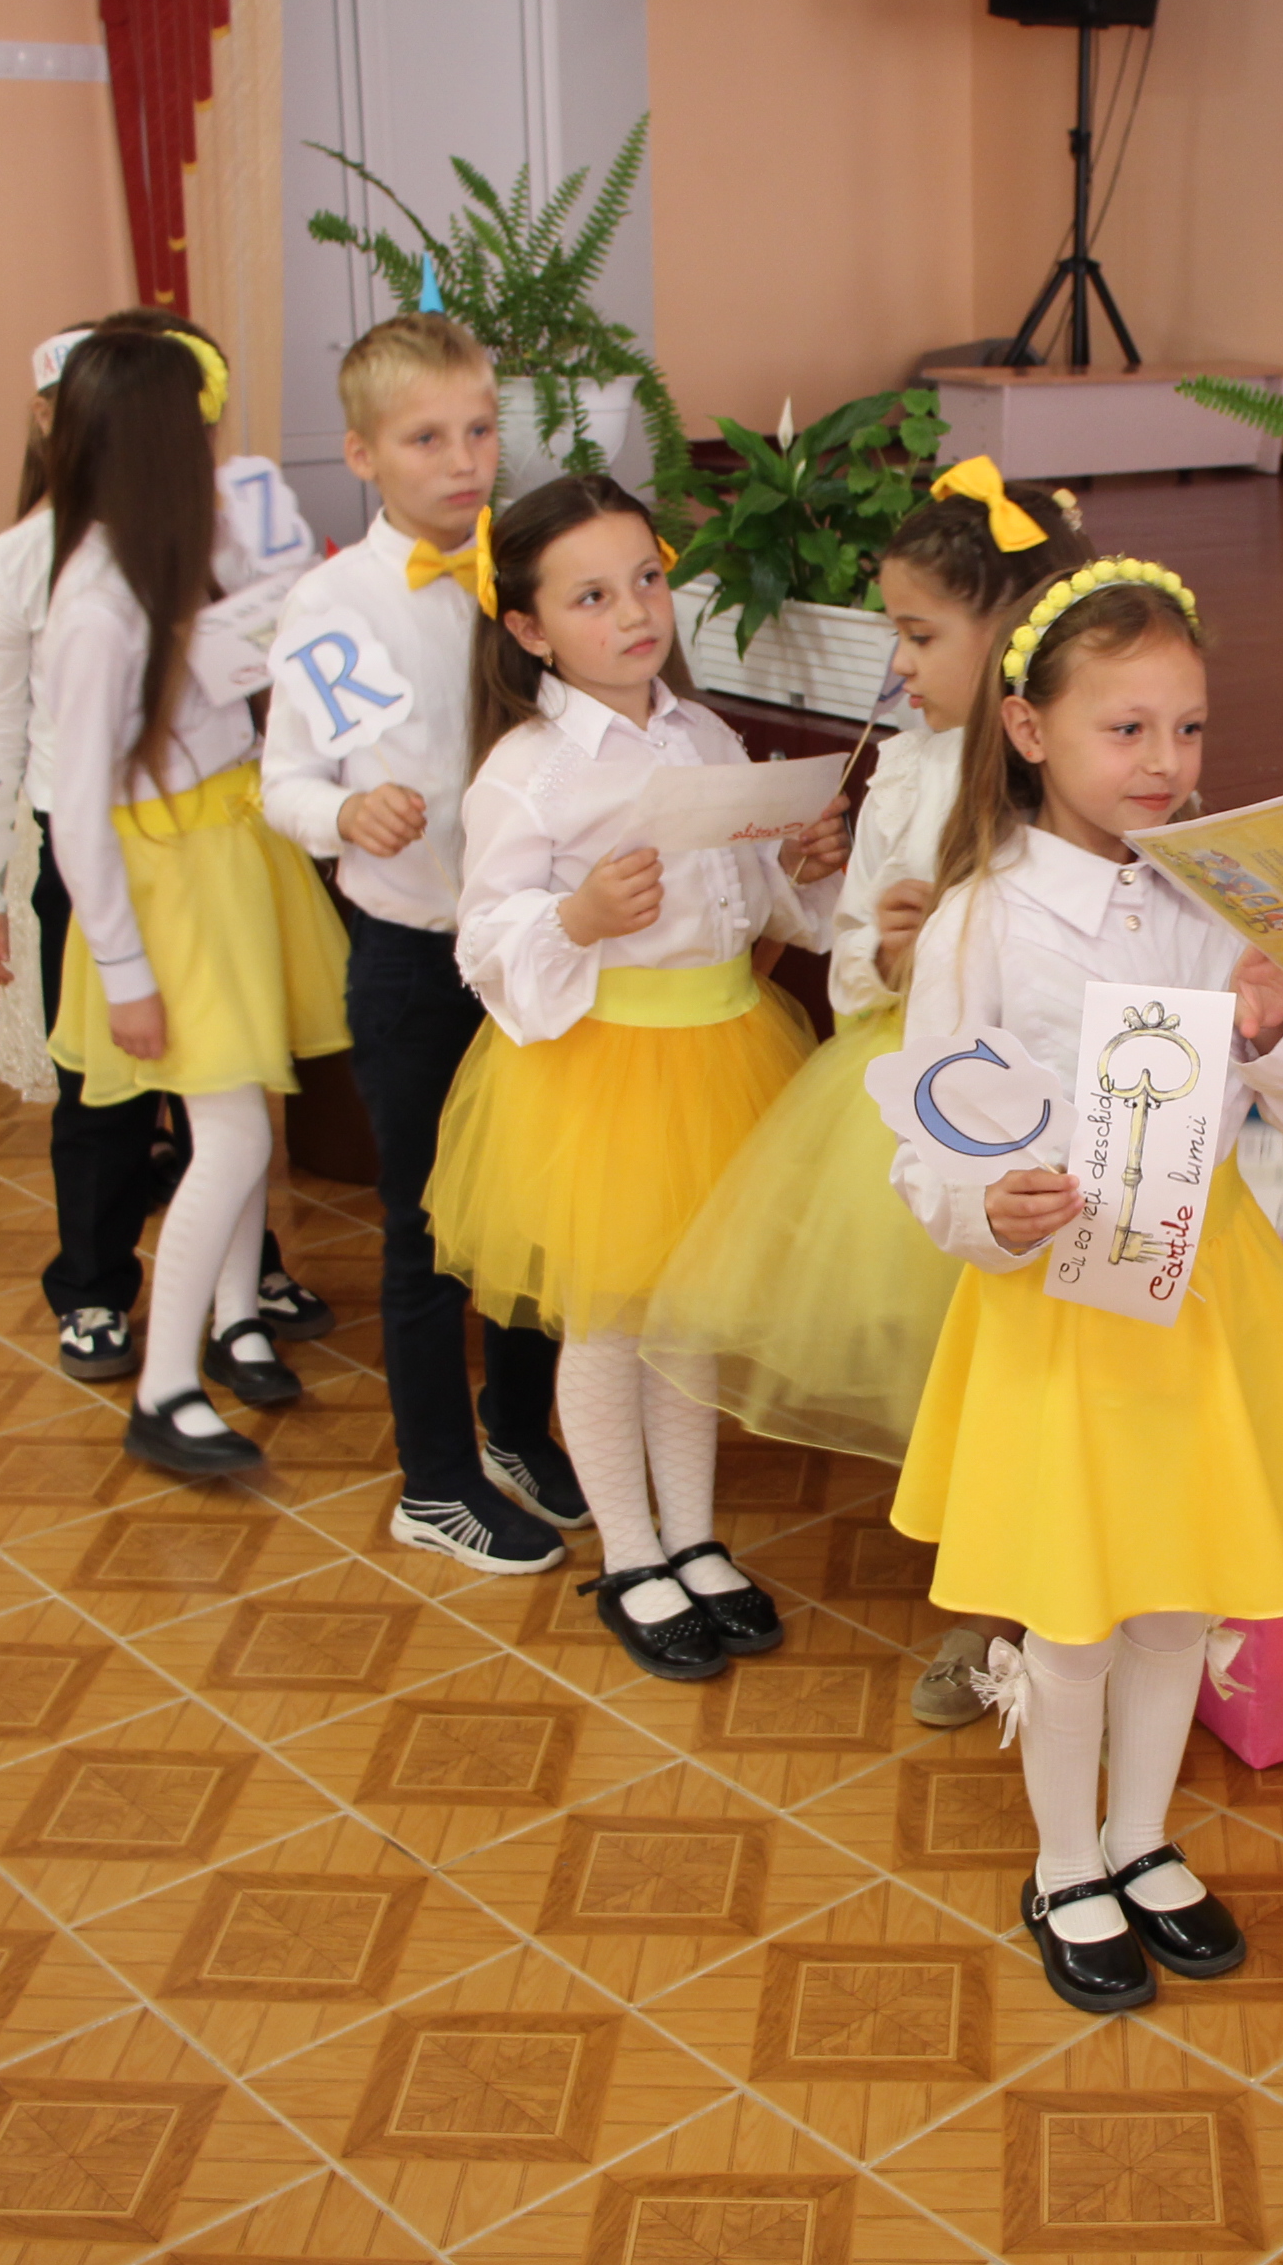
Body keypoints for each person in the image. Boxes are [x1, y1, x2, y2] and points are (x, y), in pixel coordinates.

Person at [888, 559, 1283, 2014]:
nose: (1165, 761)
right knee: (1077, 1612)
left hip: (1200, 1287)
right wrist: (992, 1211)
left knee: (1173, 1597)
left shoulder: (1215, 895)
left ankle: (1142, 1838)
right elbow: (928, 1152)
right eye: (1127, 729)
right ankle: (1063, 1865)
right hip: (1061, 1305)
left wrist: (1275, 1026)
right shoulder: (980, 922)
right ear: (1031, 731)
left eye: (1189, 728)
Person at [640, 457, 1090, 1727]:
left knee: (1037, 1368)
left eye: (920, 635)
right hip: (921, 1102)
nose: (897, 664)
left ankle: (1041, 1597)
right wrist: (894, 952)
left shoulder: (1077, 774)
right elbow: (850, 959)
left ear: (1012, 632)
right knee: (960, 1365)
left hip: (1046, 1111)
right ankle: (984, 1598)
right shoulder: (901, 770)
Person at [429, 475, 848, 1677]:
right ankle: (630, 1552)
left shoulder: (703, 735)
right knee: (614, 1323)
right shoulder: (529, 774)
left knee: (690, 1317)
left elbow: (752, 903)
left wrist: (799, 864)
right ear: (528, 628)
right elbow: (483, 943)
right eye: (592, 597)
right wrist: (579, 915)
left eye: (648, 581)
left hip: (726, 1051)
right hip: (610, 1072)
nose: (633, 613)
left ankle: (696, 1537)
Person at [0, 311, 328, 1385]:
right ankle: (97, 1289)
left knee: (232, 1085)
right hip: (99, 849)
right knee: (104, 1090)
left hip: (217, 839)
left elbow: (269, 650)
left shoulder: (198, 536)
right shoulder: (33, 571)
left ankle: (237, 1297)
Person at [260, 313, 588, 1577]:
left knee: (535, 1213)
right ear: (362, 454)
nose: (462, 460)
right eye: (426, 438)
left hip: (537, 946)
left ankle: (518, 1428)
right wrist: (343, 814)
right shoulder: (332, 604)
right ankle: (434, 1481)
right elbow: (284, 780)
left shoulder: (530, 571)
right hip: (414, 955)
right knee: (429, 1227)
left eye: (479, 430)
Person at [36, 326, 354, 1478]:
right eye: (201, 431)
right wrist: (125, 973)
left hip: (225, 853)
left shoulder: (168, 557)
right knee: (228, 1131)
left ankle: (234, 1321)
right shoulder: (95, 607)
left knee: (244, 1107)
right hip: (171, 883)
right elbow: (77, 812)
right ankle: (165, 1389)